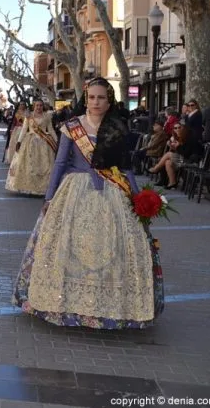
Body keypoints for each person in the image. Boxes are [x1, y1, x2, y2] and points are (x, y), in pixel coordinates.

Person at [13, 77, 164, 329]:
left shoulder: (118, 127)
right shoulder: (72, 127)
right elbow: (60, 164)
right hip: (74, 191)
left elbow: (125, 168)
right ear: (85, 98)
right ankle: (65, 303)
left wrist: (138, 199)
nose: (95, 102)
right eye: (91, 97)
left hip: (113, 193)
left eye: (101, 98)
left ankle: (112, 307)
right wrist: (49, 197)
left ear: (109, 101)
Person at [5, 100, 57, 196]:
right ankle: (30, 188)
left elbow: (50, 129)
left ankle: (43, 188)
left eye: (40, 105)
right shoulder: (29, 116)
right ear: (34, 106)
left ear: (43, 106)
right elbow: (24, 129)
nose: (39, 107)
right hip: (30, 142)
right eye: (37, 105)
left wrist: (57, 142)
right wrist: (19, 142)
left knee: (44, 165)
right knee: (30, 165)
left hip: (44, 143)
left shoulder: (47, 116)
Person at [148, 123, 201, 189]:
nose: (177, 130)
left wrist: (177, 146)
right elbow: (179, 152)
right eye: (175, 128)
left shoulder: (190, 138)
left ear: (184, 128)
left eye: (179, 127)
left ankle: (156, 168)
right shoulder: (179, 138)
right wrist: (172, 146)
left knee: (169, 154)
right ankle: (172, 182)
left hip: (190, 161)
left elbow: (186, 153)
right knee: (168, 162)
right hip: (182, 159)